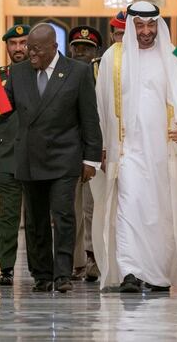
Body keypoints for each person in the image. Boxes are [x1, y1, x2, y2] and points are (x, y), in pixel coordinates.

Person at [0, 23, 102, 293]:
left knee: (64, 215)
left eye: (36, 50)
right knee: (35, 219)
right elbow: (1, 109)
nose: (30, 54)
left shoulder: (78, 72)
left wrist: (91, 159)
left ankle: (63, 274)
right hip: (29, 157)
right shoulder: (19, 73)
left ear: (54, 47)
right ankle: (42, 274)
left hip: (65, 157)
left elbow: (90, 118)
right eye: (29, 49)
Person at [92, 1, 177, 293]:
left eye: (151, 25)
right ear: (130, 26)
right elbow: (101, 107)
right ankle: (131, 271)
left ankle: (157, 276)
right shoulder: (113, 58)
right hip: (127, 151)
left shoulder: (174, 58)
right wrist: (103, 147)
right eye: (140, 25)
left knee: (161, 212)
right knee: (128, 205)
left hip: (166, 152)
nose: (146, 31)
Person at [0, 24, 30, 286]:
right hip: (6, 155)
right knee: (8, 217)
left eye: (23, 43)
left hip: (36, 157)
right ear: (7, 47)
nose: (19, 48)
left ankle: (39, 268)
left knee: (37, 217)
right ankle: (7, 268)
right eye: (14, 43)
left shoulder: (41, 74)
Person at [67, 25, 103, 282]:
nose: (81, 52)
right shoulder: (62, 73)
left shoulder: (102, 73)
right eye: (77, 47)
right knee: (68, 208)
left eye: (87, 48)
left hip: (94, 151)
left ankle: (92, 256)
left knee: (92, 206)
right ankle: (73, 259)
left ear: (96, 51)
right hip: (66, 150)